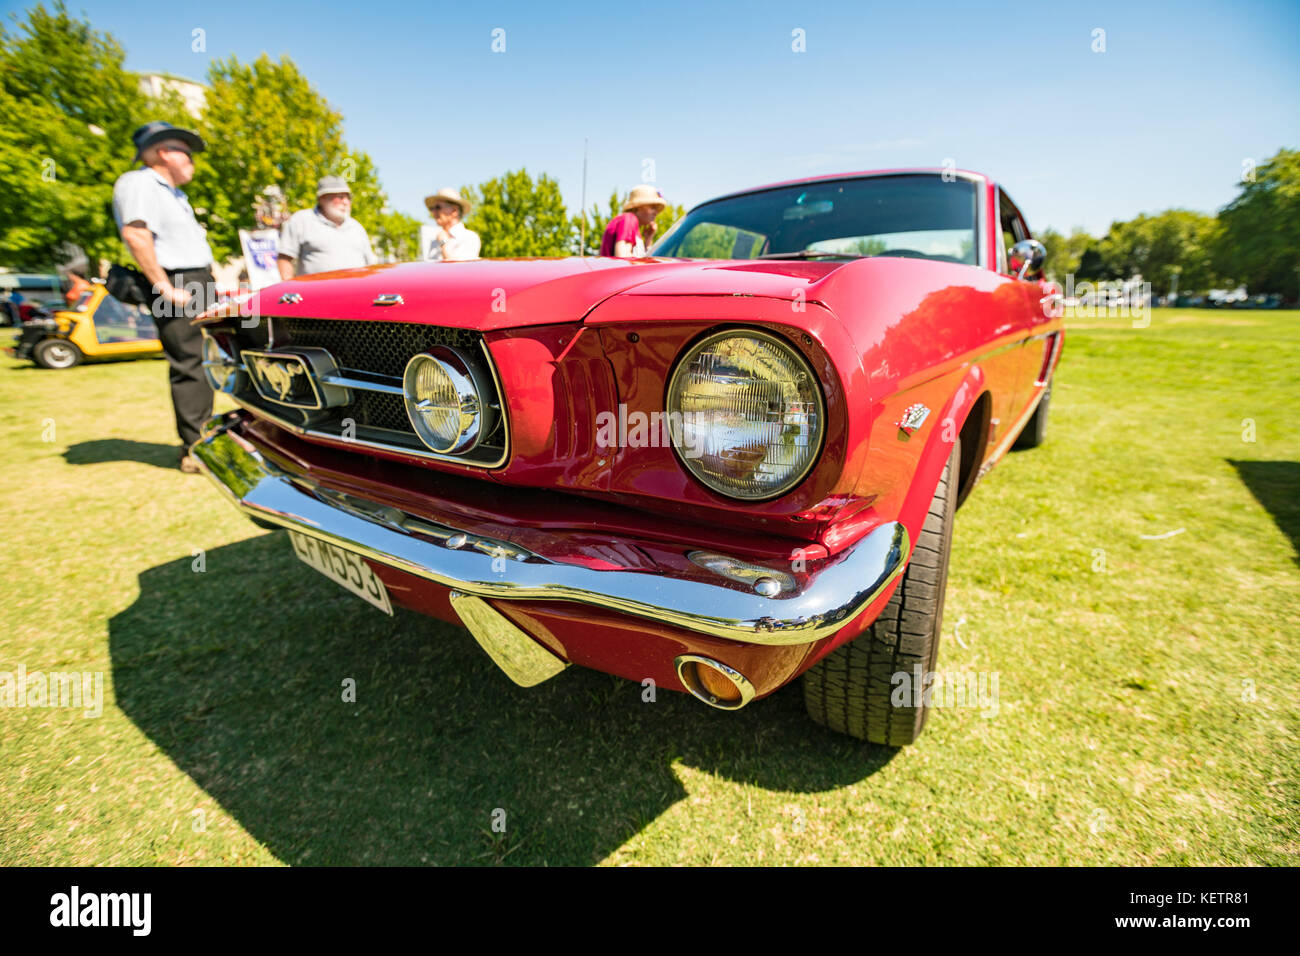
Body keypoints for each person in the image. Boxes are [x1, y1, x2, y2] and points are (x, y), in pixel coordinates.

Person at [112, 120, 215, 474]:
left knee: (220, 357)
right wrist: (164, 287)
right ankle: (196, 448)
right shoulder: (139, 182)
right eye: (186, 153)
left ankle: (220, 435)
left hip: (195, 278)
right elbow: (136, 234)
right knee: (189, 363)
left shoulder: (173, 193)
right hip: (175, 280)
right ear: (163, 152)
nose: (191, 161)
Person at [277, 176, 377, 278]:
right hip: (314, 292)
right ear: (322, 198)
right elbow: (285, 259)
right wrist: (290, 288)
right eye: (340, 197)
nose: (346, 202)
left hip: (356, 292)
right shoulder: (301, 220)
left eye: (348, 198)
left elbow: (371, 266)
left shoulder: (357, 228)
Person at [600, 185, 666, 257]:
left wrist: (648, 240)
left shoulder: (633, 226)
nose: (656, 213)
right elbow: (622, 257)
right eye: (653, 207)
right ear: (638, 207)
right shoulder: (629, 219)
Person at [423, 188, 480, 261]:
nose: (433, 212)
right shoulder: (435, 241)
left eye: (438, 207)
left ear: (454, 210)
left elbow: (457, 269)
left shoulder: (470, 238)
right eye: (432, 208)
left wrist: (443, 242)